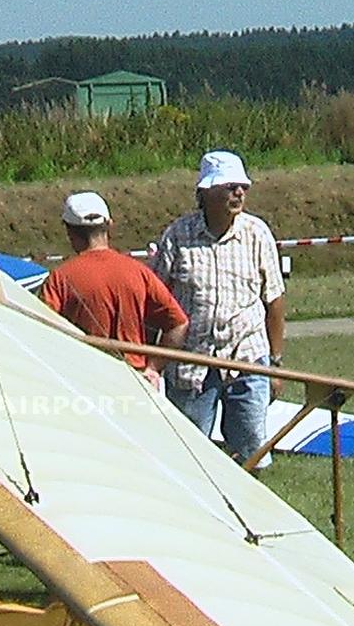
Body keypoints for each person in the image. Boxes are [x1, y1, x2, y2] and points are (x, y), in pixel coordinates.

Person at [149, 151, 286, 464]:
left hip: (248, 357)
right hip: (191, 360)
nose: (238, 193)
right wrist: (151, 362)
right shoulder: (177, 236)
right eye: (229, 186)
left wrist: (275, 365)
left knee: (252, 448)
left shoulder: (258, 234)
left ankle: (252, 507)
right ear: (205, 193)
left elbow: (274, 300)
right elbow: (157, 301)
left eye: (242, 186)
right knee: (190, 453)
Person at [39, 190, 188, 384]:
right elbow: (178, 324)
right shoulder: (138, 272)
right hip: (135, 380)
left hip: (84, 380)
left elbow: (40, 331)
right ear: (110, 226)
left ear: (70, 231)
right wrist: (153, 368)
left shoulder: (60, 278)